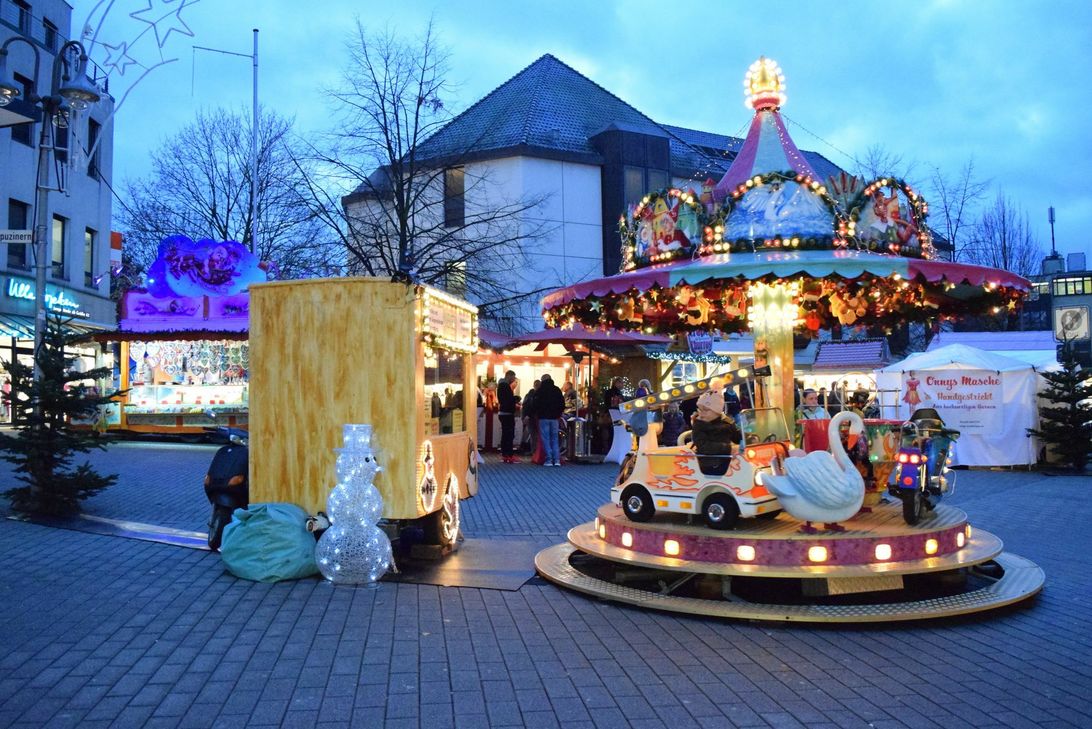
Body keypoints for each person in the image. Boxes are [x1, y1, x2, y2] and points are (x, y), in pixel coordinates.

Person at [690, 390, 741, 476]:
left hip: (727, 459)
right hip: (710, 461)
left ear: (717, 411)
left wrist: (749, 438)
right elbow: (703, 446)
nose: (701, 414)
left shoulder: (726, 422)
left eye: (706, 410)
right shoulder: (699, 424)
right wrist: (728, 448)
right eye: (700, 410)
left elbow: (737, 437)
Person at [536, 373, 566, 467]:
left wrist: (537, 413)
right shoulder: (557, 390)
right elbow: (562, 403)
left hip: (543, 418)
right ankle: (557, 460)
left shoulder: (540, 390)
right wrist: (558, 413)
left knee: (546, 439)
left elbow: (536, 403)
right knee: (555, 439)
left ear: (542, 380)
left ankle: (548, 459)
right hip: (554, 418)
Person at [497, 370, 521, 463]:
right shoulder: (505, 386)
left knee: (505, 434)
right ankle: (509, 455)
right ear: (509, 376)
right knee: (509, 435)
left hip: (503, 412)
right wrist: (515, 399)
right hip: (507, 413)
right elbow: (508, 400)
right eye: (513, 377)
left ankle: (505, 454)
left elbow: (503, 399)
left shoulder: (501, 385)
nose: (514, 379)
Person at [521, 379, 541, 454]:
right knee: (535, 435)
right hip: (535, 417)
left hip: (531, 417)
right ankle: (535, 451)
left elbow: (525, 406)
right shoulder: (539, 394)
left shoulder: (529, 395)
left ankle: (534, 450)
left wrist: (524, 416)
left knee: (532, 434)